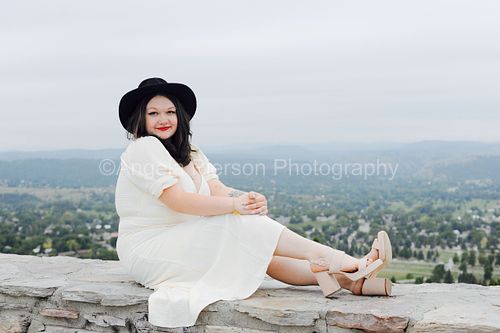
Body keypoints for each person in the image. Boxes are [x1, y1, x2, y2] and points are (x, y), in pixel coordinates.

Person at [115, 77, 393, 328]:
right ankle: (346, 262)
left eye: (170, 112)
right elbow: (178, 201)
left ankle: (347, 281)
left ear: (180, 115)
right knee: (237, 224)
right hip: (149, 247)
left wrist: (245, 198)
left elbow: (217, 190)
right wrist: (236, 208)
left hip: (184, 239)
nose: (163, 119)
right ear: (141, 119)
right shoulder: (143, 149)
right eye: (153, 113)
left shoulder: (191, 153)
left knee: (260, 250)